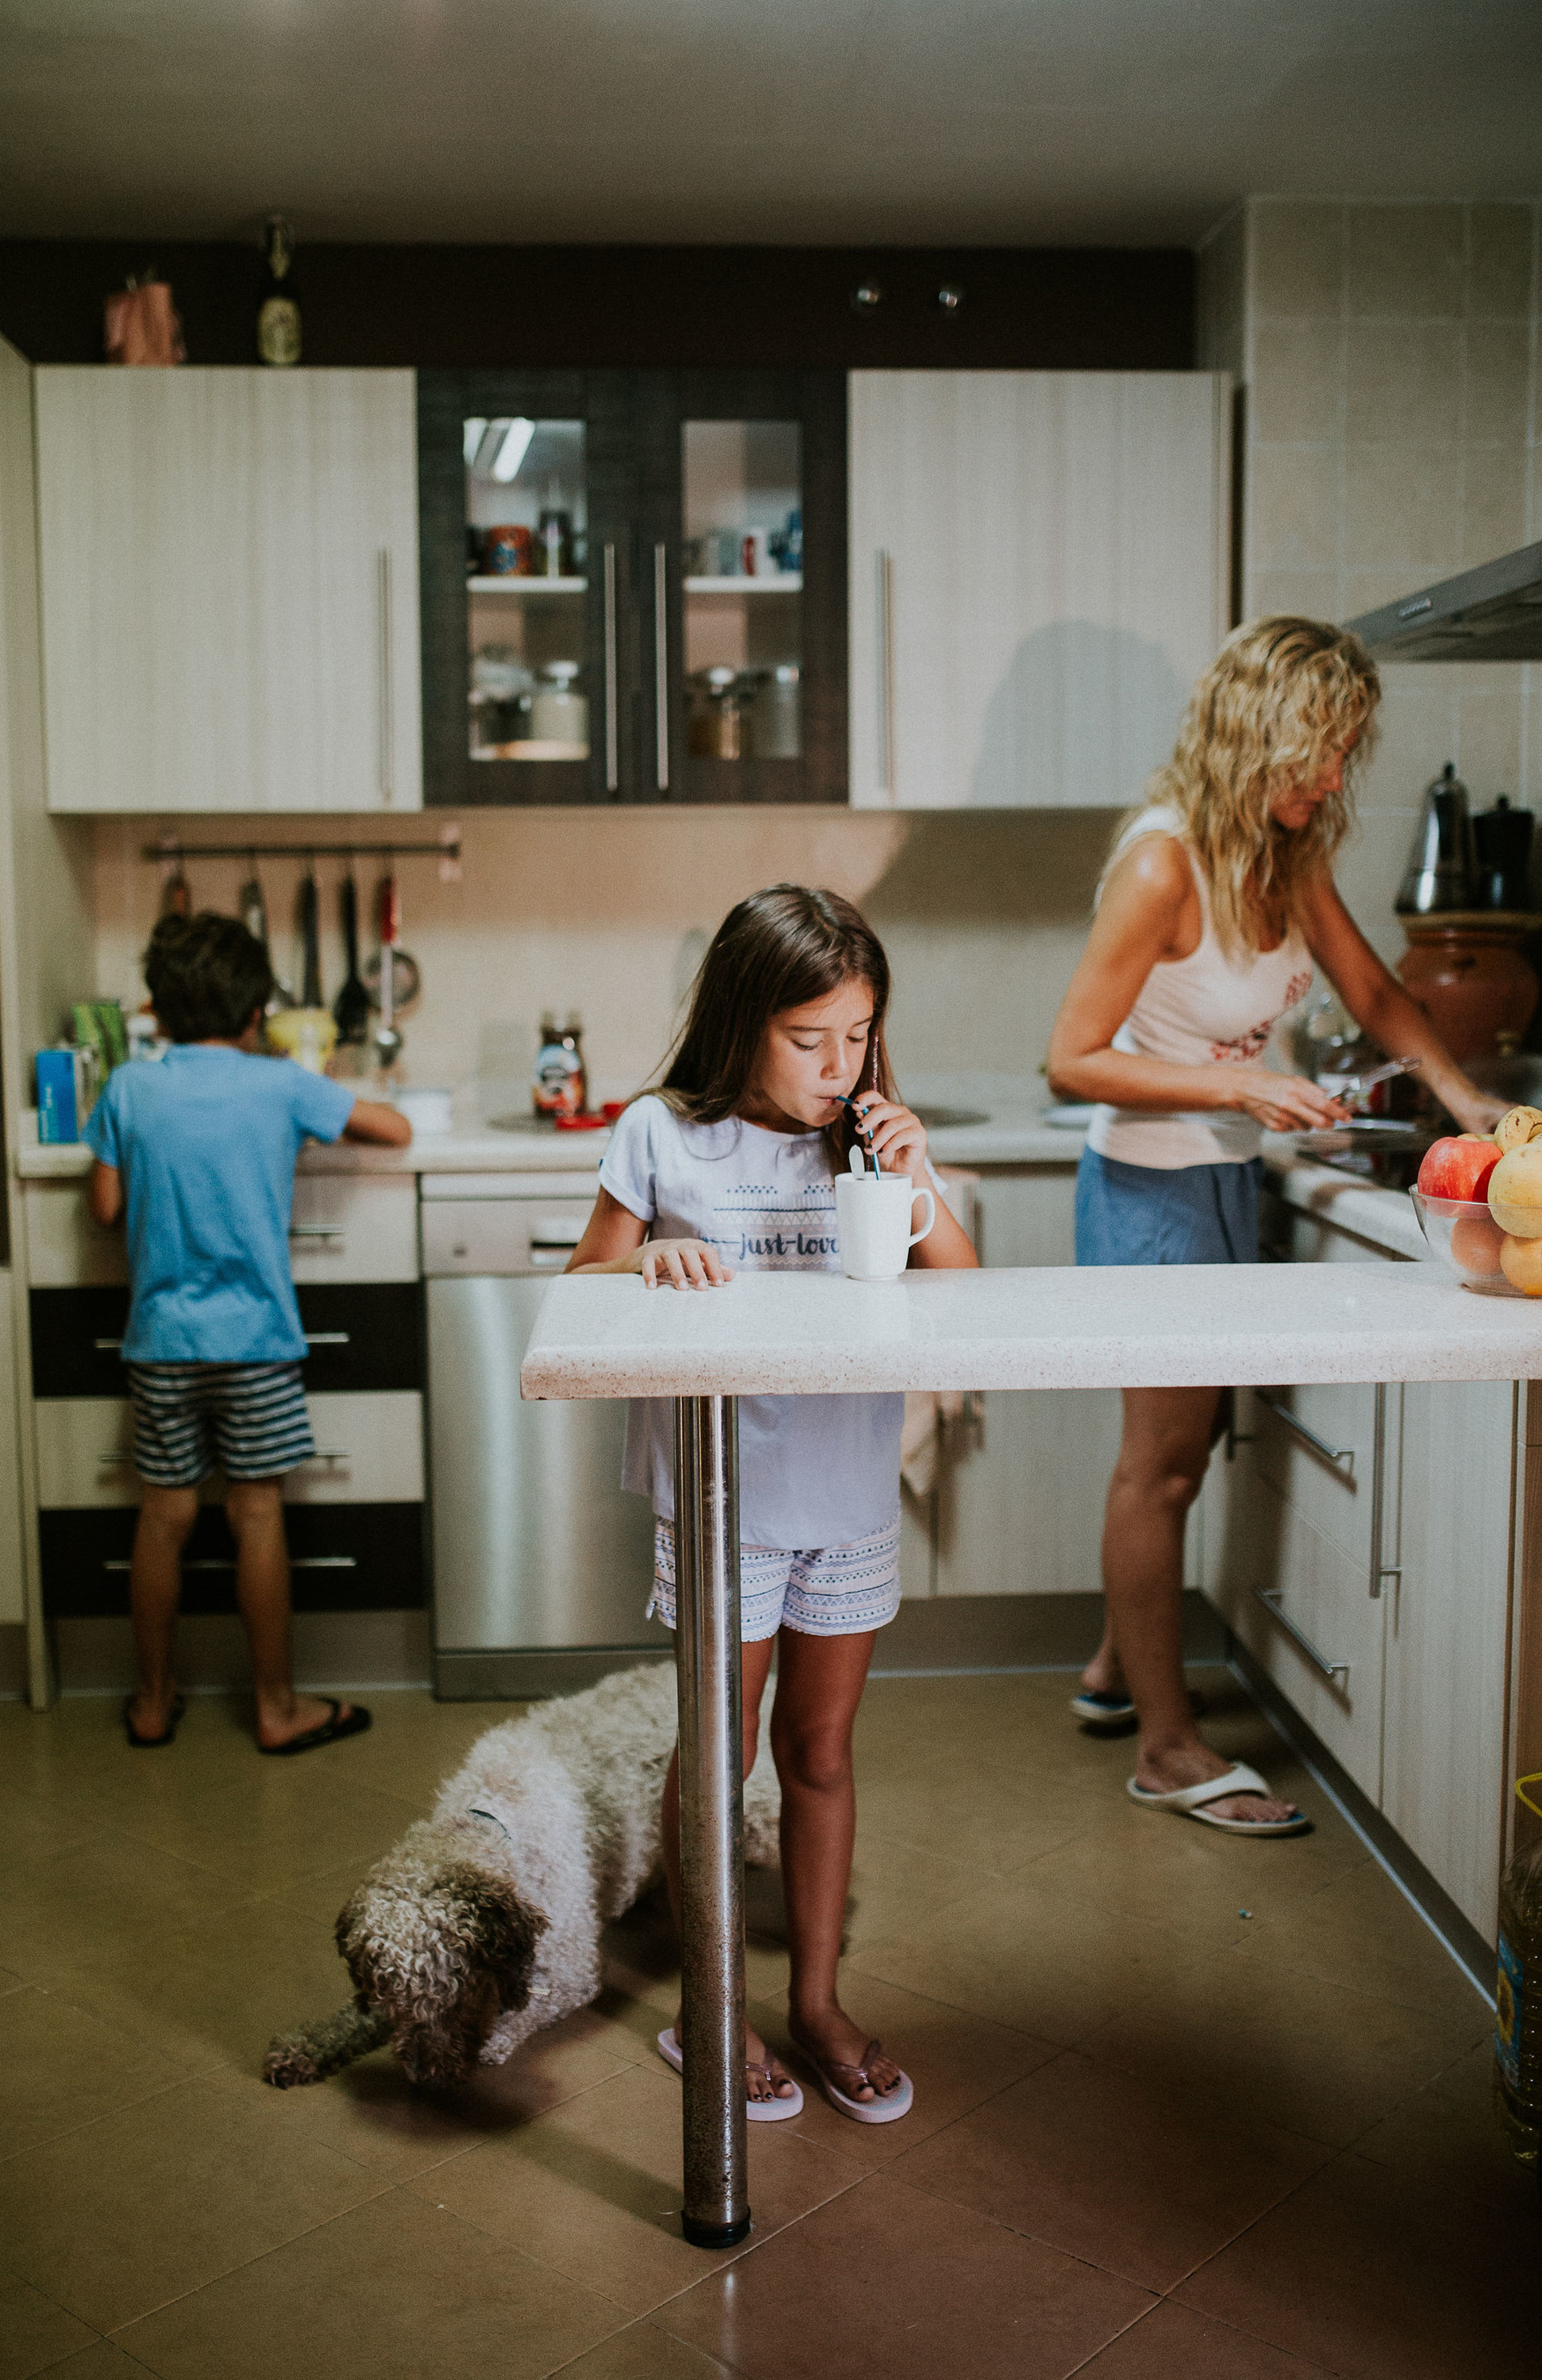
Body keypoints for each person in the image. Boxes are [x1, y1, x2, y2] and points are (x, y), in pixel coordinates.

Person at [1046, 616, 1501, 1837]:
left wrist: (1479, 1107)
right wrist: (1243, 1085)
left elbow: (1377, 994)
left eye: (1347, 752)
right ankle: (1167, 1748)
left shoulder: (1285, 854)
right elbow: (1068, 1060)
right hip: (1144, 1194)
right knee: (1164, 1466)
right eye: (1319, 751)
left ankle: (1110, 1671)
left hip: (1224, 1185)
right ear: (1255, 736)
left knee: (1190, 1455)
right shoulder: (1165, 866)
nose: (1334, 778)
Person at [567, 885, 977, 2118]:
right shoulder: (661, 1136)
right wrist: (647, 1258)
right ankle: (713, 2007)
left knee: (821, 1752)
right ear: (745, 1022)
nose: (839, 1064)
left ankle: (813, 2000)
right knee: (721, 1753)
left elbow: (963, 1297)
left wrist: (922, 1182)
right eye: (811, 1040)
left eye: (858, 1034)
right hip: (722, 1500)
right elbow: (586, 1278)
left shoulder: (870, 1146)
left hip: (847, 1494)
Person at [86, 912, 413, 1753]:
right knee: (257, 1515)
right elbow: (394, 1130)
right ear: (253, 1008)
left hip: (160, 1340)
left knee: (162, 1517)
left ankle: (153, 1704)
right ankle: (275, 1708)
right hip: (258, 1341)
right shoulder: (279, 1084)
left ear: (157, 1007)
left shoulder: (128, 1086)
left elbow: (105, 1206)